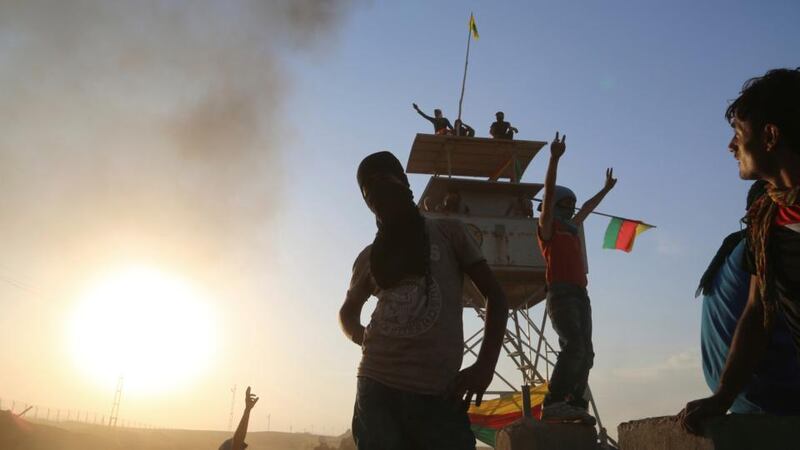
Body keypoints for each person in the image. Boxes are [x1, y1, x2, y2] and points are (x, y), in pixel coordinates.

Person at [339, 151, 508, 450]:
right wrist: (361, 336)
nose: (378, 191)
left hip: (439, 392)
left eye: (384, 180)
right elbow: (347, 312)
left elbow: (495, 295)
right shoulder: (369, 257)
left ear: (404, 184)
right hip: (377, 387)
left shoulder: (447, 231)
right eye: (369, 189)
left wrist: (485, 366)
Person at [679, 68, 800, 434]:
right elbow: (757, 311)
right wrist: (723, 396)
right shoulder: (768, 222)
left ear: (770, 136)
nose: (731, 147)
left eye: (737, 134)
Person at [697, 180, 800, 416]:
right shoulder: (763, 248)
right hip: (772, 392)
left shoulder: (732, 255)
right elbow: (757, 317)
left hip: (734, 397)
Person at [537, 132, 617, 424]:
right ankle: (554, 400)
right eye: (564, 205)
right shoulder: (547, 229)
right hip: (560, 294)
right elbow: (546, 193)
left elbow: (587, 209)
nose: (570, 210)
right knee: (573, 346)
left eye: (571, 206)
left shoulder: (571, 228)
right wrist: (554, 159)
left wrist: (605, 190)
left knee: (587, 353)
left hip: (580, 294)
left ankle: (575, 401)